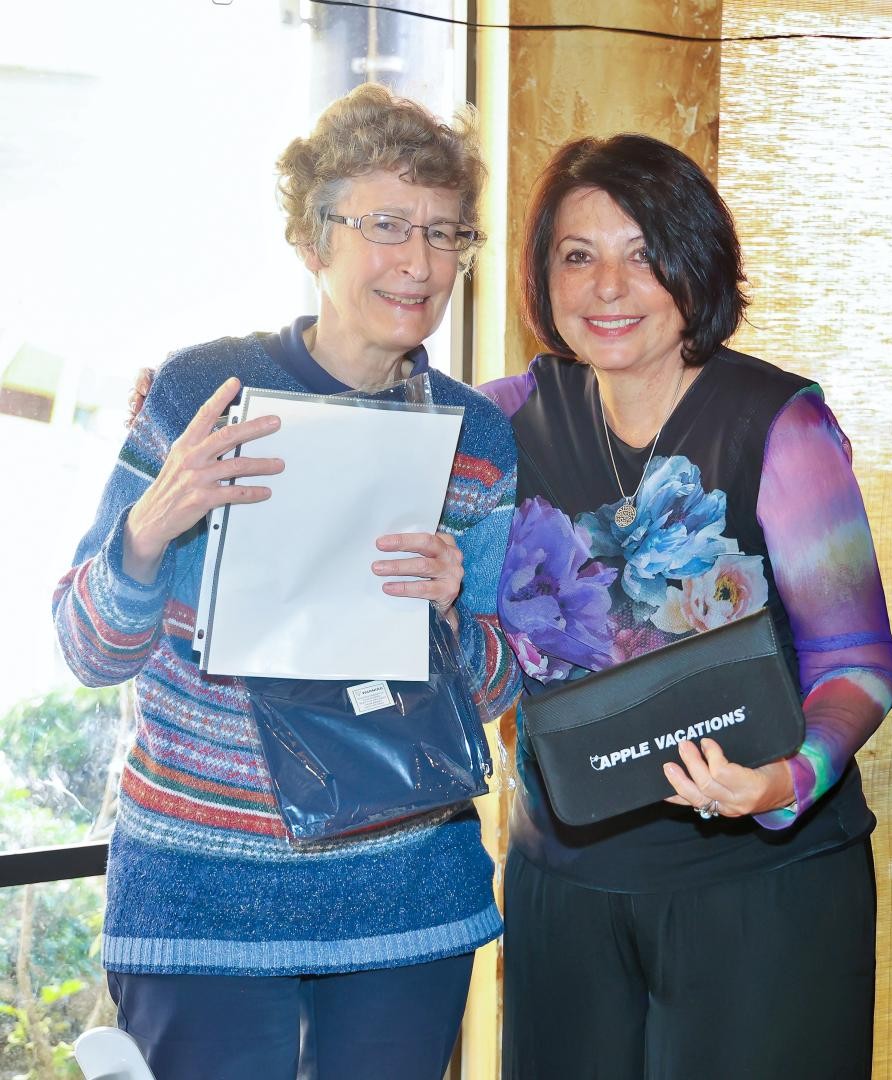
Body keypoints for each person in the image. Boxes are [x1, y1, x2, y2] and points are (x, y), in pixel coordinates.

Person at [53, 83, 519, 1080]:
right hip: (201, 899)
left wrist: (449, 616)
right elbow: (88, 650)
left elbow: (495, 690)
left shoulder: (476, 438)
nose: (419, 261)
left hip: (406, 906)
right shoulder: (201, 392)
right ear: (313, 239)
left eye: (444, 232)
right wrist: (149, 527)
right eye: (386, 225)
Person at [482, 134, 892, 1079]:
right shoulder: (498, 421)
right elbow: (364, 428)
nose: (607, 287)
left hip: (760, 887)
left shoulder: (780, 424)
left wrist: (784, 781)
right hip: (564, 885)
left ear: (693, 265)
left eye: (642, 254)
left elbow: (859, 660)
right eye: (577, 255)